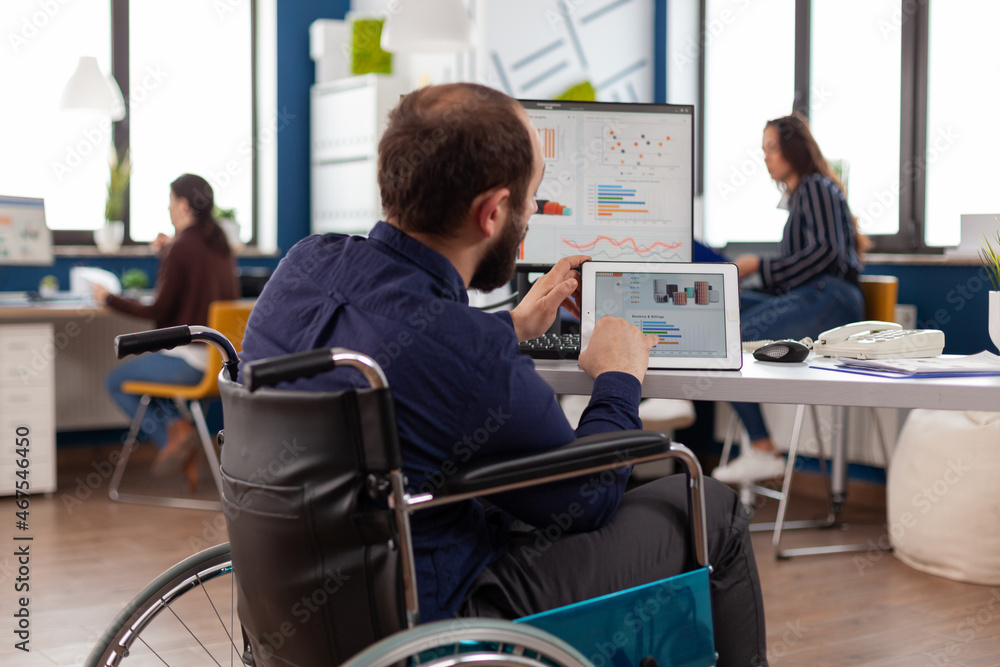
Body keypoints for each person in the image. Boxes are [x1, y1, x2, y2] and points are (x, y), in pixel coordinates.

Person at [240, 83, 768, 666]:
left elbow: (407, 346)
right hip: (438, 614)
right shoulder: (462, 349)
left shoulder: (305, 264)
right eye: (532, 201)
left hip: (303, 616)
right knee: (712, 506)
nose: (532, 216)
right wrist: (618, 377)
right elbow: (589, 498)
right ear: (493, 212)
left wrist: (511, 326)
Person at [712, 113, 866, 485]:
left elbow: (827, 255)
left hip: (831, 298)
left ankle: (763, 449)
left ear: (792, 149)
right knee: (717, 313)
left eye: (772, 148)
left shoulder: (814, 187)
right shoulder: (805, 195)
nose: (765, 157)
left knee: (730, 335)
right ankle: (749, 441)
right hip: (816, 295)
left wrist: (759, 268)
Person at [94, 174, 240, 489]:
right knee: (152, 380)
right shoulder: (221, 245)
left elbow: (157, 311)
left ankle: (172, 437)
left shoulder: (181, 247)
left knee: (116, 381)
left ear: (184, 206)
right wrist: (168, 251)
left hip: (187, 363)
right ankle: (179, 429)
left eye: (171, 201)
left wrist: (108, 298)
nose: (168, 208)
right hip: (218, 364)